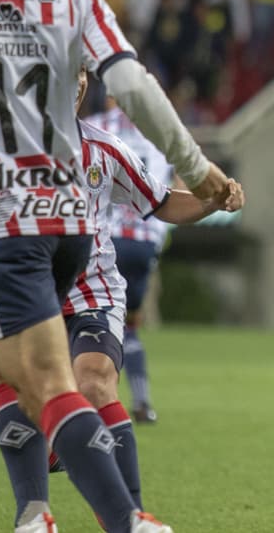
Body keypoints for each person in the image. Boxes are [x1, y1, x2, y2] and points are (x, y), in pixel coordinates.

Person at [0, 0, 241, 533]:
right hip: (70, 222)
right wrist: (197, 168)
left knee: (45, 381)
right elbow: (132, 86)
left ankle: (125, 522)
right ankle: (37, 514)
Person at [0, 71, 242, 528]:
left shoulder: (105, 149)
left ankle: (130, 517)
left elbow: (161, 202)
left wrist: (211, 201)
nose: (78, 82)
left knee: (95, 381)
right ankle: (33, 515)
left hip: (94, 292)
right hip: (30, 294)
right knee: (13, 390)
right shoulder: (2, 145)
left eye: (83, 72)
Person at [86, 98, 177, 423]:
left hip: (104, 239)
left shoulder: (97, 126)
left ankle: (83, 404)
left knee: (79, 322)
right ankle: (141, 402)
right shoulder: (160, 131)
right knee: (131, 326)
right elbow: (170, 186)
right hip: (143, 241)